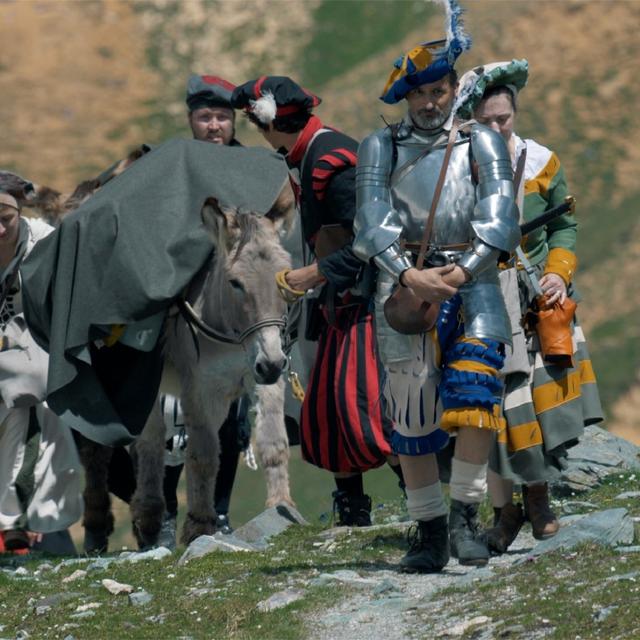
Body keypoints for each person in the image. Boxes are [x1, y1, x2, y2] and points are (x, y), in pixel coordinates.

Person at [353, 0, 520, 571]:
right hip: (402, 289)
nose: (428, 102)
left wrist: (464, 269)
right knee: (413, 412)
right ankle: (427, 531)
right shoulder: (381, 146)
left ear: (453, 90)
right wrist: (408, 273)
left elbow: (500, 217)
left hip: (473, 284)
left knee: (477, 401)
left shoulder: (482, 142)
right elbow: (369, 222)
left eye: (439, 91)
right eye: (418, 93)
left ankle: (464, 520)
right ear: (406, 97)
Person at [231, 75, 405, 526]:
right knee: (330, 411)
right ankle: (351, 514)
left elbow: (372, 242)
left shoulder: (331, 161)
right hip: (339, 304)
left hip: (367, 304)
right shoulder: (308, 156)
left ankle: (421, 508)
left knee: (365, 410)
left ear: (270, 123)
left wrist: (309, 275)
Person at [455, 59, 603, 552]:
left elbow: (565, 227)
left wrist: (559, 273)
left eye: (504, 119)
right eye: (487, 121)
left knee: (533, 403)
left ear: (514, 114)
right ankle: (505, 512)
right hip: (478, 300)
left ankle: (537, 500)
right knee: (491, 407)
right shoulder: (456, 168)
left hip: (535, 302)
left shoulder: (542, 162)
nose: (497, 128)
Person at [158, 74, 248, 547]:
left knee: (230, 417)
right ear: (191, 120)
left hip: (233, 312)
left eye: (222, 117)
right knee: (171, 413)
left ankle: (219, 510)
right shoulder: (173, 164)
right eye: (205, 117)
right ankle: (168, 513)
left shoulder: (251, 167)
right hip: (175, 305)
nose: (214, 126)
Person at [0, 185, 81, 554]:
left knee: (40, 407)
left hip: (39, 338)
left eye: (6, 220)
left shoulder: (42, 239)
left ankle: (30, 521)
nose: (1, 229)